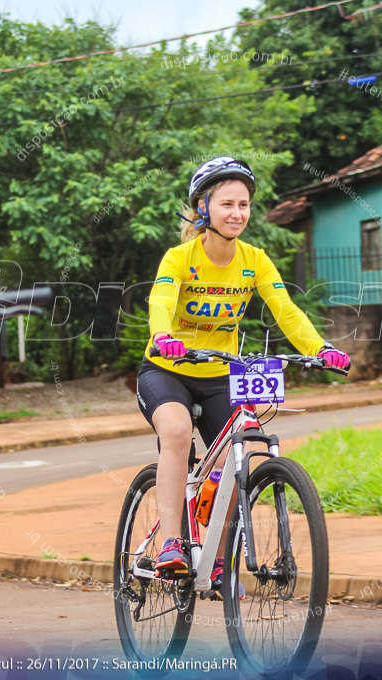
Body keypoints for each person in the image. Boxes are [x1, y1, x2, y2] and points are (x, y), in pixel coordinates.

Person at [138, 157, 349, 588]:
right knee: (176, 431)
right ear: (204, 208)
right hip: (167, 369)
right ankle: (171, 543)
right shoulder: (180, 258)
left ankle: (217, 560)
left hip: (221, 373)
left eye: (244, 205)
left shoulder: (254, 260)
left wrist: (320, 349)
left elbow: (286, 311)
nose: (237, 213)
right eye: (226, 204)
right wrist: (163, 336)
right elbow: (159, 303)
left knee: (244, 447)